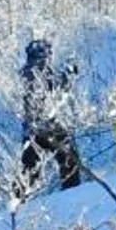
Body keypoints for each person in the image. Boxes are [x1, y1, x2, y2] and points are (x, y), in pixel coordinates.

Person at [15, 40, 87, 193]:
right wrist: (70, 73)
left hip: (31, 131)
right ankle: (72, 193)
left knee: (29, 169)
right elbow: (58, 88)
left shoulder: (24, 73)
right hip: (49, 127)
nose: (49, 57)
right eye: (47, 54)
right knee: (69, 160)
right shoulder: (38, 72)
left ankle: (19, 200)